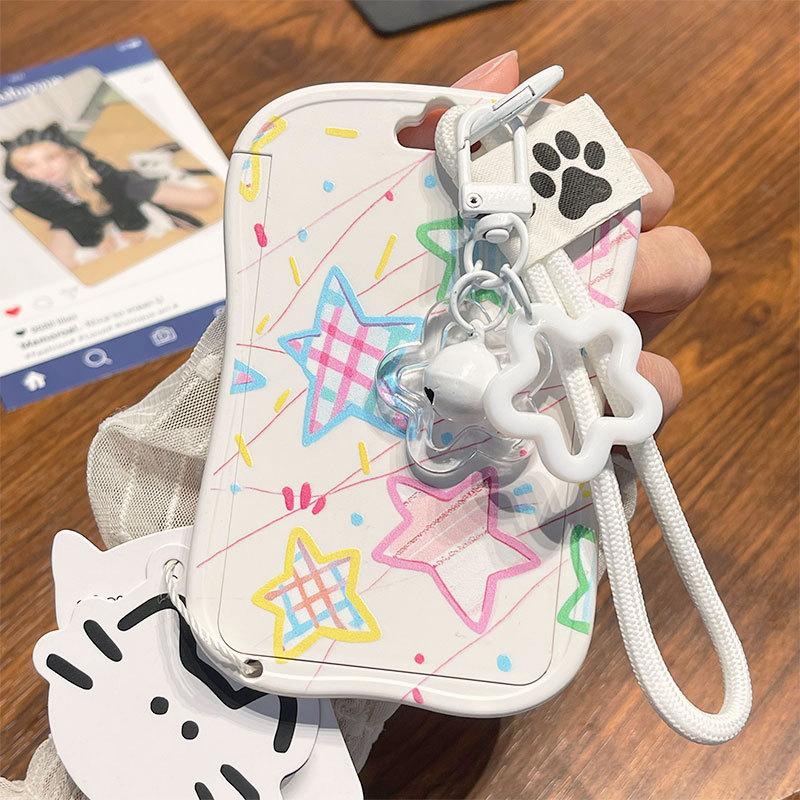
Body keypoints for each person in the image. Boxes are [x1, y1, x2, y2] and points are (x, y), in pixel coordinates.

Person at [2, 123, 218, 268]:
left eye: (51, 158)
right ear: (19, 171)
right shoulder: (24, 195)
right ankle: (143, 208)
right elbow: (64, 216)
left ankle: (153, 169)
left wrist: (132, 226)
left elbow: (119, 198)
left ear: (69, 153)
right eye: (29, 165)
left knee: (206, 199)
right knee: (62, 262)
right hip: (79, 213)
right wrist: (94, 238)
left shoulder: (99, 171)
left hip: (122, 190)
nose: (43, 169)